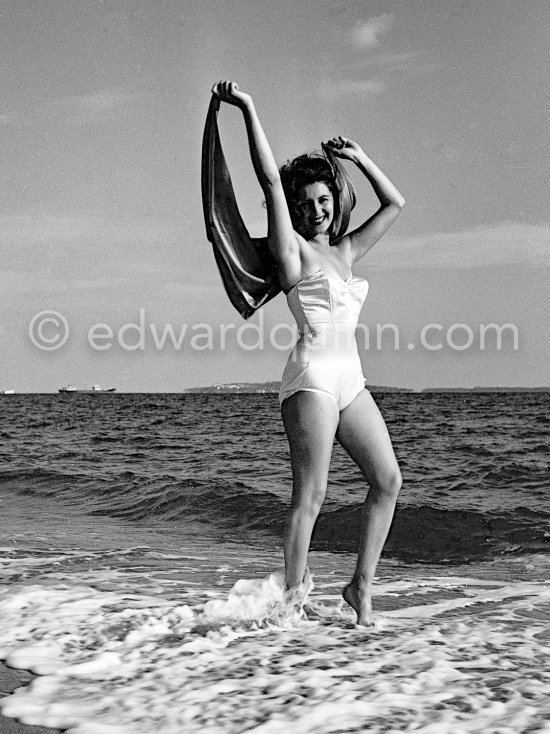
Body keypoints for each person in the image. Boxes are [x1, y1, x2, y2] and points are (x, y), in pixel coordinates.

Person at [211, 80, 405, 626]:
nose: (316, 210)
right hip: (312, 377)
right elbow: (269, 179)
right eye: (306, 204)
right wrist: (248, 107)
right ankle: (294, 603)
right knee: (311, 495)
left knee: (387, 481)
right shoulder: (290, 249)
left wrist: (360, 157)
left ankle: (359, 588)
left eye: (323, 201)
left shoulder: (345, 250)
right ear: (294, 211)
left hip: (352, 381)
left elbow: (395, 203)